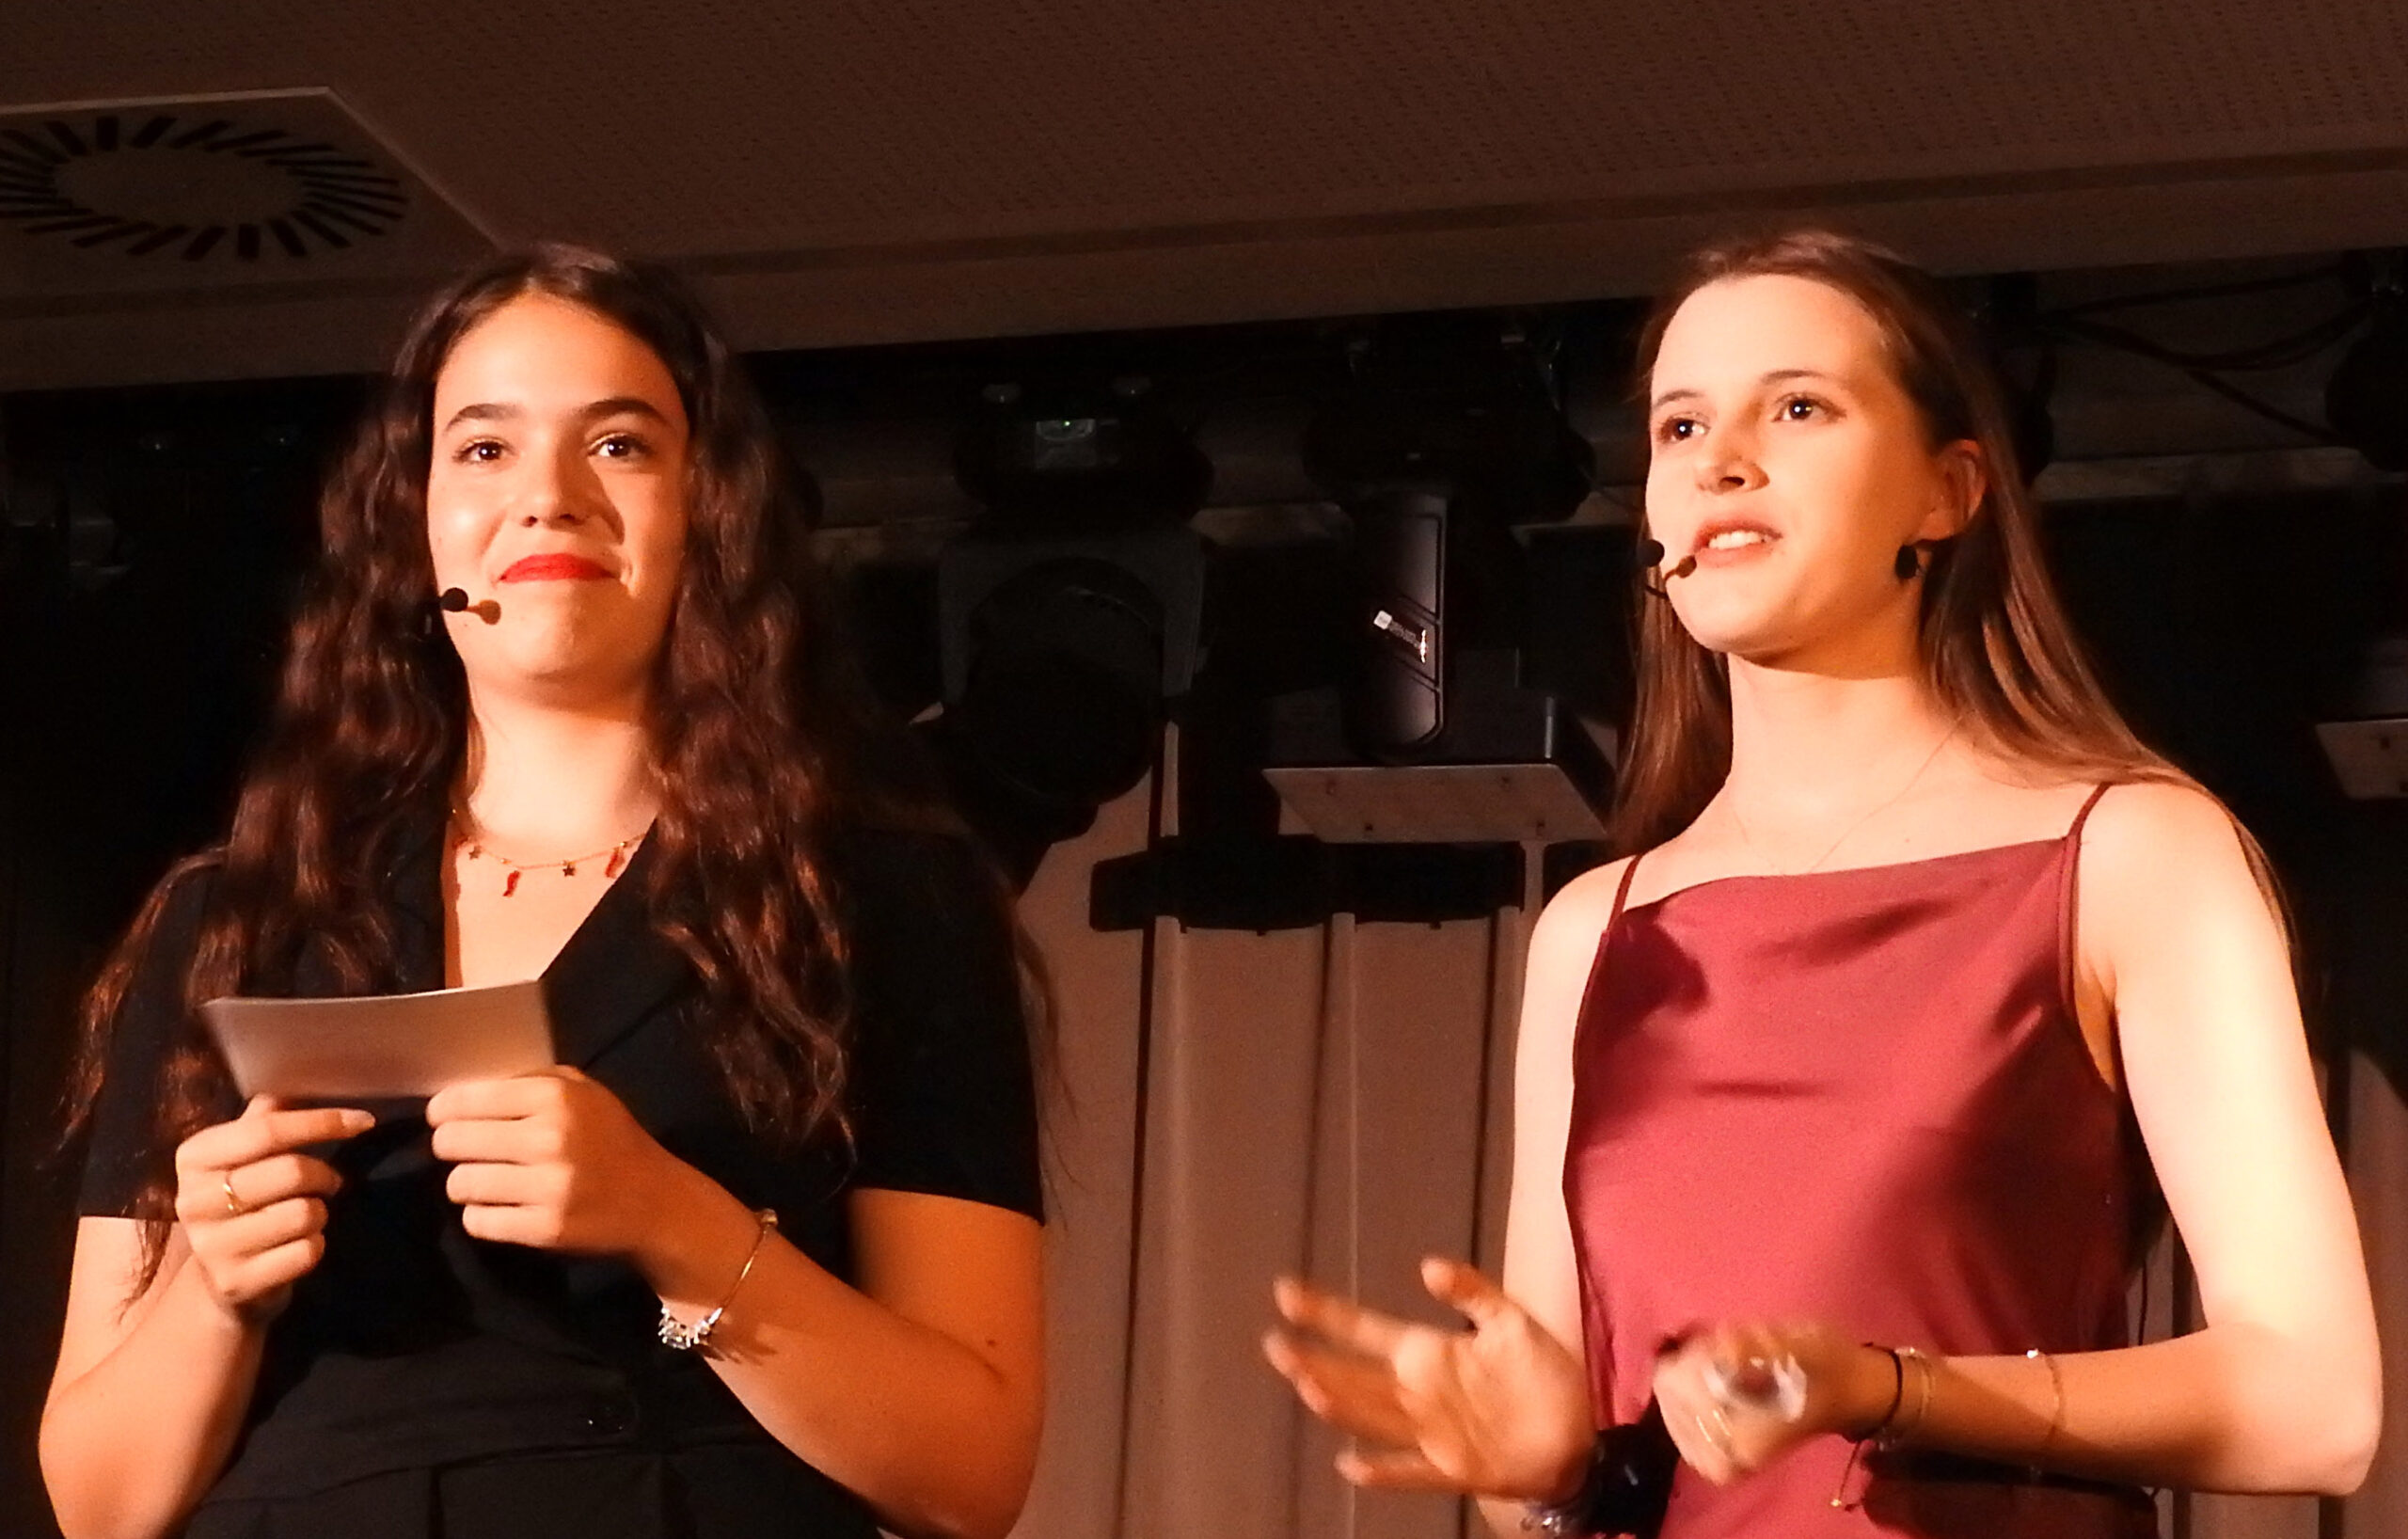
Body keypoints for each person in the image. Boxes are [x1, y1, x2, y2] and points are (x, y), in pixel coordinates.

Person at [1263, 229, 2381, 1537]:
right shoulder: (1599, 929)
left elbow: (2316, 1405)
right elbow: (1572, 1488)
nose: (1722, 459)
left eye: (1797, 408)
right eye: (1681, 427)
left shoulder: (2132, 853)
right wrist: (1548, 1477)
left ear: (1946, 493)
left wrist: (1884, 1389)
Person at [40, 245, 1047, 1539]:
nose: (549, 499)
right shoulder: (238, 916)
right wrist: (212, 1293)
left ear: (708, 511)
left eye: (619, 446)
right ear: (413, 526)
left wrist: (678, 1228)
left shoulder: (878, 896)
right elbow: (99, 1506)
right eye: (484, 449)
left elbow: (972, 1472)